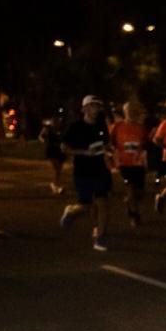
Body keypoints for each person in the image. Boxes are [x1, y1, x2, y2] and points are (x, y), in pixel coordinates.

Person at [59, 95, 114, 251]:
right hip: (83, 170)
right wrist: (83, 152)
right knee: (86, 206)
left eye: (97, 106)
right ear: (84, 109)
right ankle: (71, 211)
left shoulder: (101, 126)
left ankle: (100, 237)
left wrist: (108, 151)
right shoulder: (75, 127)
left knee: (103, 203)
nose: (95, 109)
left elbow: (105, 144)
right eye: (91, 106)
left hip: (100, 169)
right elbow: (64, 147)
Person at [110, 100, 149, 226]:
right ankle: (134, 214)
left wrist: (144, 156)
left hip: (138, 164)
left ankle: (129, 203)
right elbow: (109, 143)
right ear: (124, 112)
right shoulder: (117, 127)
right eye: (128, 111)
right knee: (130, 188)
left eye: (133, 111)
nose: (131, 113)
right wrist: (112, 158)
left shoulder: (141, 128)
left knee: (140, 193)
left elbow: (145, 144)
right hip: (124, 164)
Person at [40, 116, 66, 194]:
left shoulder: (61, 130)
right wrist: (43, 140)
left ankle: (56, 184)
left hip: (60, 151)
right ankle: (54, 185)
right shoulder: (48, 129)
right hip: (52, 151)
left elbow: (64, 139)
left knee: (59, 170)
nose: (57, 123)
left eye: (58, 122)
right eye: (55, 122)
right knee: (56, 168)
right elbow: (41, 136)